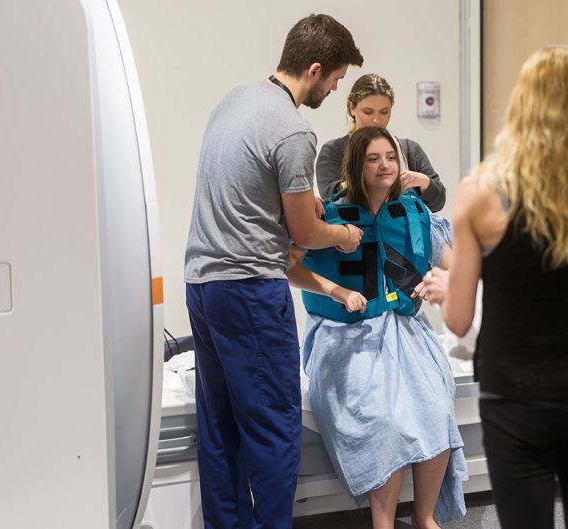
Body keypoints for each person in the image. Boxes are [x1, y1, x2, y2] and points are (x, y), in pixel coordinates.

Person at [420, 47, 568, 529]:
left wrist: (457, 291)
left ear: (521, 108)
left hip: (514, 401)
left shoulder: (480, 192)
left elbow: (460, 321)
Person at [183, 14, 364, 529]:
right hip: (250, 294)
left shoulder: (234, 101)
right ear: (313, 69)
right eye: (335, 79)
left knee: (220, 427)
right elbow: (306, 235)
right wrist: (342, 236)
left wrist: (299, 220)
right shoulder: (293, 130)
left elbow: (245, 200)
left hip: (202, 283)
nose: (334, 88)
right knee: (274, 427)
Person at [290, 126, 468, 529]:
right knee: (382, 421)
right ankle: (382, 522)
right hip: (345, 336)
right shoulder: (328, 218)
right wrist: (337, 292)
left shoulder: (415, 213)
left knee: (436, 409)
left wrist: (437, 282)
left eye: (390, 156)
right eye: (373, 158)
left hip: (405, 331)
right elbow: (288, 266)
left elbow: (457, 268)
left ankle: (424, 518)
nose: (385, 165)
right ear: (356, 164)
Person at [315, 73, 447, 212]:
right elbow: (331, 198)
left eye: (384, 112)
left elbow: (438, 201)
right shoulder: (333, 151)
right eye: (368, 112)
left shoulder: (410, 150)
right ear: (351, 108)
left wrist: (424, 182)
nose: (376, 120)